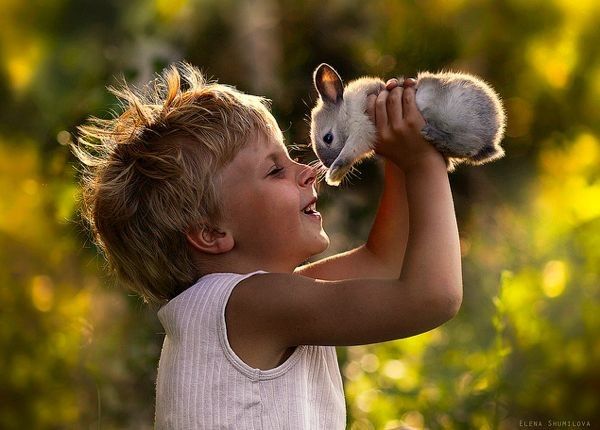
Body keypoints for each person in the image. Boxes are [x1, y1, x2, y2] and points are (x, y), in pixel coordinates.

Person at [72, 62, 462, 429]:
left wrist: (392, 149)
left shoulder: (256, 301)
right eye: (275, 169)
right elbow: (433, 298)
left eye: (290, 157)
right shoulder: (250, 305)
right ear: (210, 233)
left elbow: (385, 263)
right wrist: (423, 164)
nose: (308, 171)